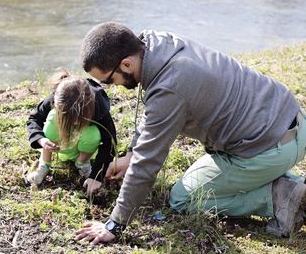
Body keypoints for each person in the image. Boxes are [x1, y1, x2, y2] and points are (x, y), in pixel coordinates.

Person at [75, 21, 306, 244]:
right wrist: (132, 153)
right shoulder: (155, 43)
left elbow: (148, 163)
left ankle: (278, 198)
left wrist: (115, 224)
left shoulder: (169, 87)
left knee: (183, 198)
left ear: (126, 64)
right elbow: (152, 116)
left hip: (269, 147)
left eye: (108, 80)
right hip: (291, 119)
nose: (109, 86)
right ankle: (294, 187)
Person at [26, 69, 117, 194]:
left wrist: (96, 176)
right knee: (52, 117)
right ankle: (44, 164)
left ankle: (82, 163)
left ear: (89, 109)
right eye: (68, 117)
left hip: (85, 138)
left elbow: (110, 142)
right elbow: (34, 119)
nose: (74, 123)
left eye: (77, 119)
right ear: (56, 103)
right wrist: (41, 140)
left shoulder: (98, 104)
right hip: (57, 142)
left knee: (94, 133)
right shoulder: (57, 97)